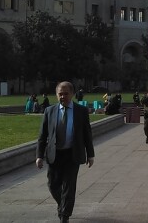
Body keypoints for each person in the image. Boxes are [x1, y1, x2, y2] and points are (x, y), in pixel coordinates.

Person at [36, 82, 94, 223]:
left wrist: (90, 154)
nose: (63, 96)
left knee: (69, 186)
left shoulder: (81, 111)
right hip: (54, 154)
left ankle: (64, 215)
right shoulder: (50, 111)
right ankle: (63, 205)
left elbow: (87, 133)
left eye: (66, 93)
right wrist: (39, 156)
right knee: (53, 185)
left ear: (72, 94)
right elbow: (42, 136)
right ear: (56, 95)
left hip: (72, 154)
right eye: (60, 94)